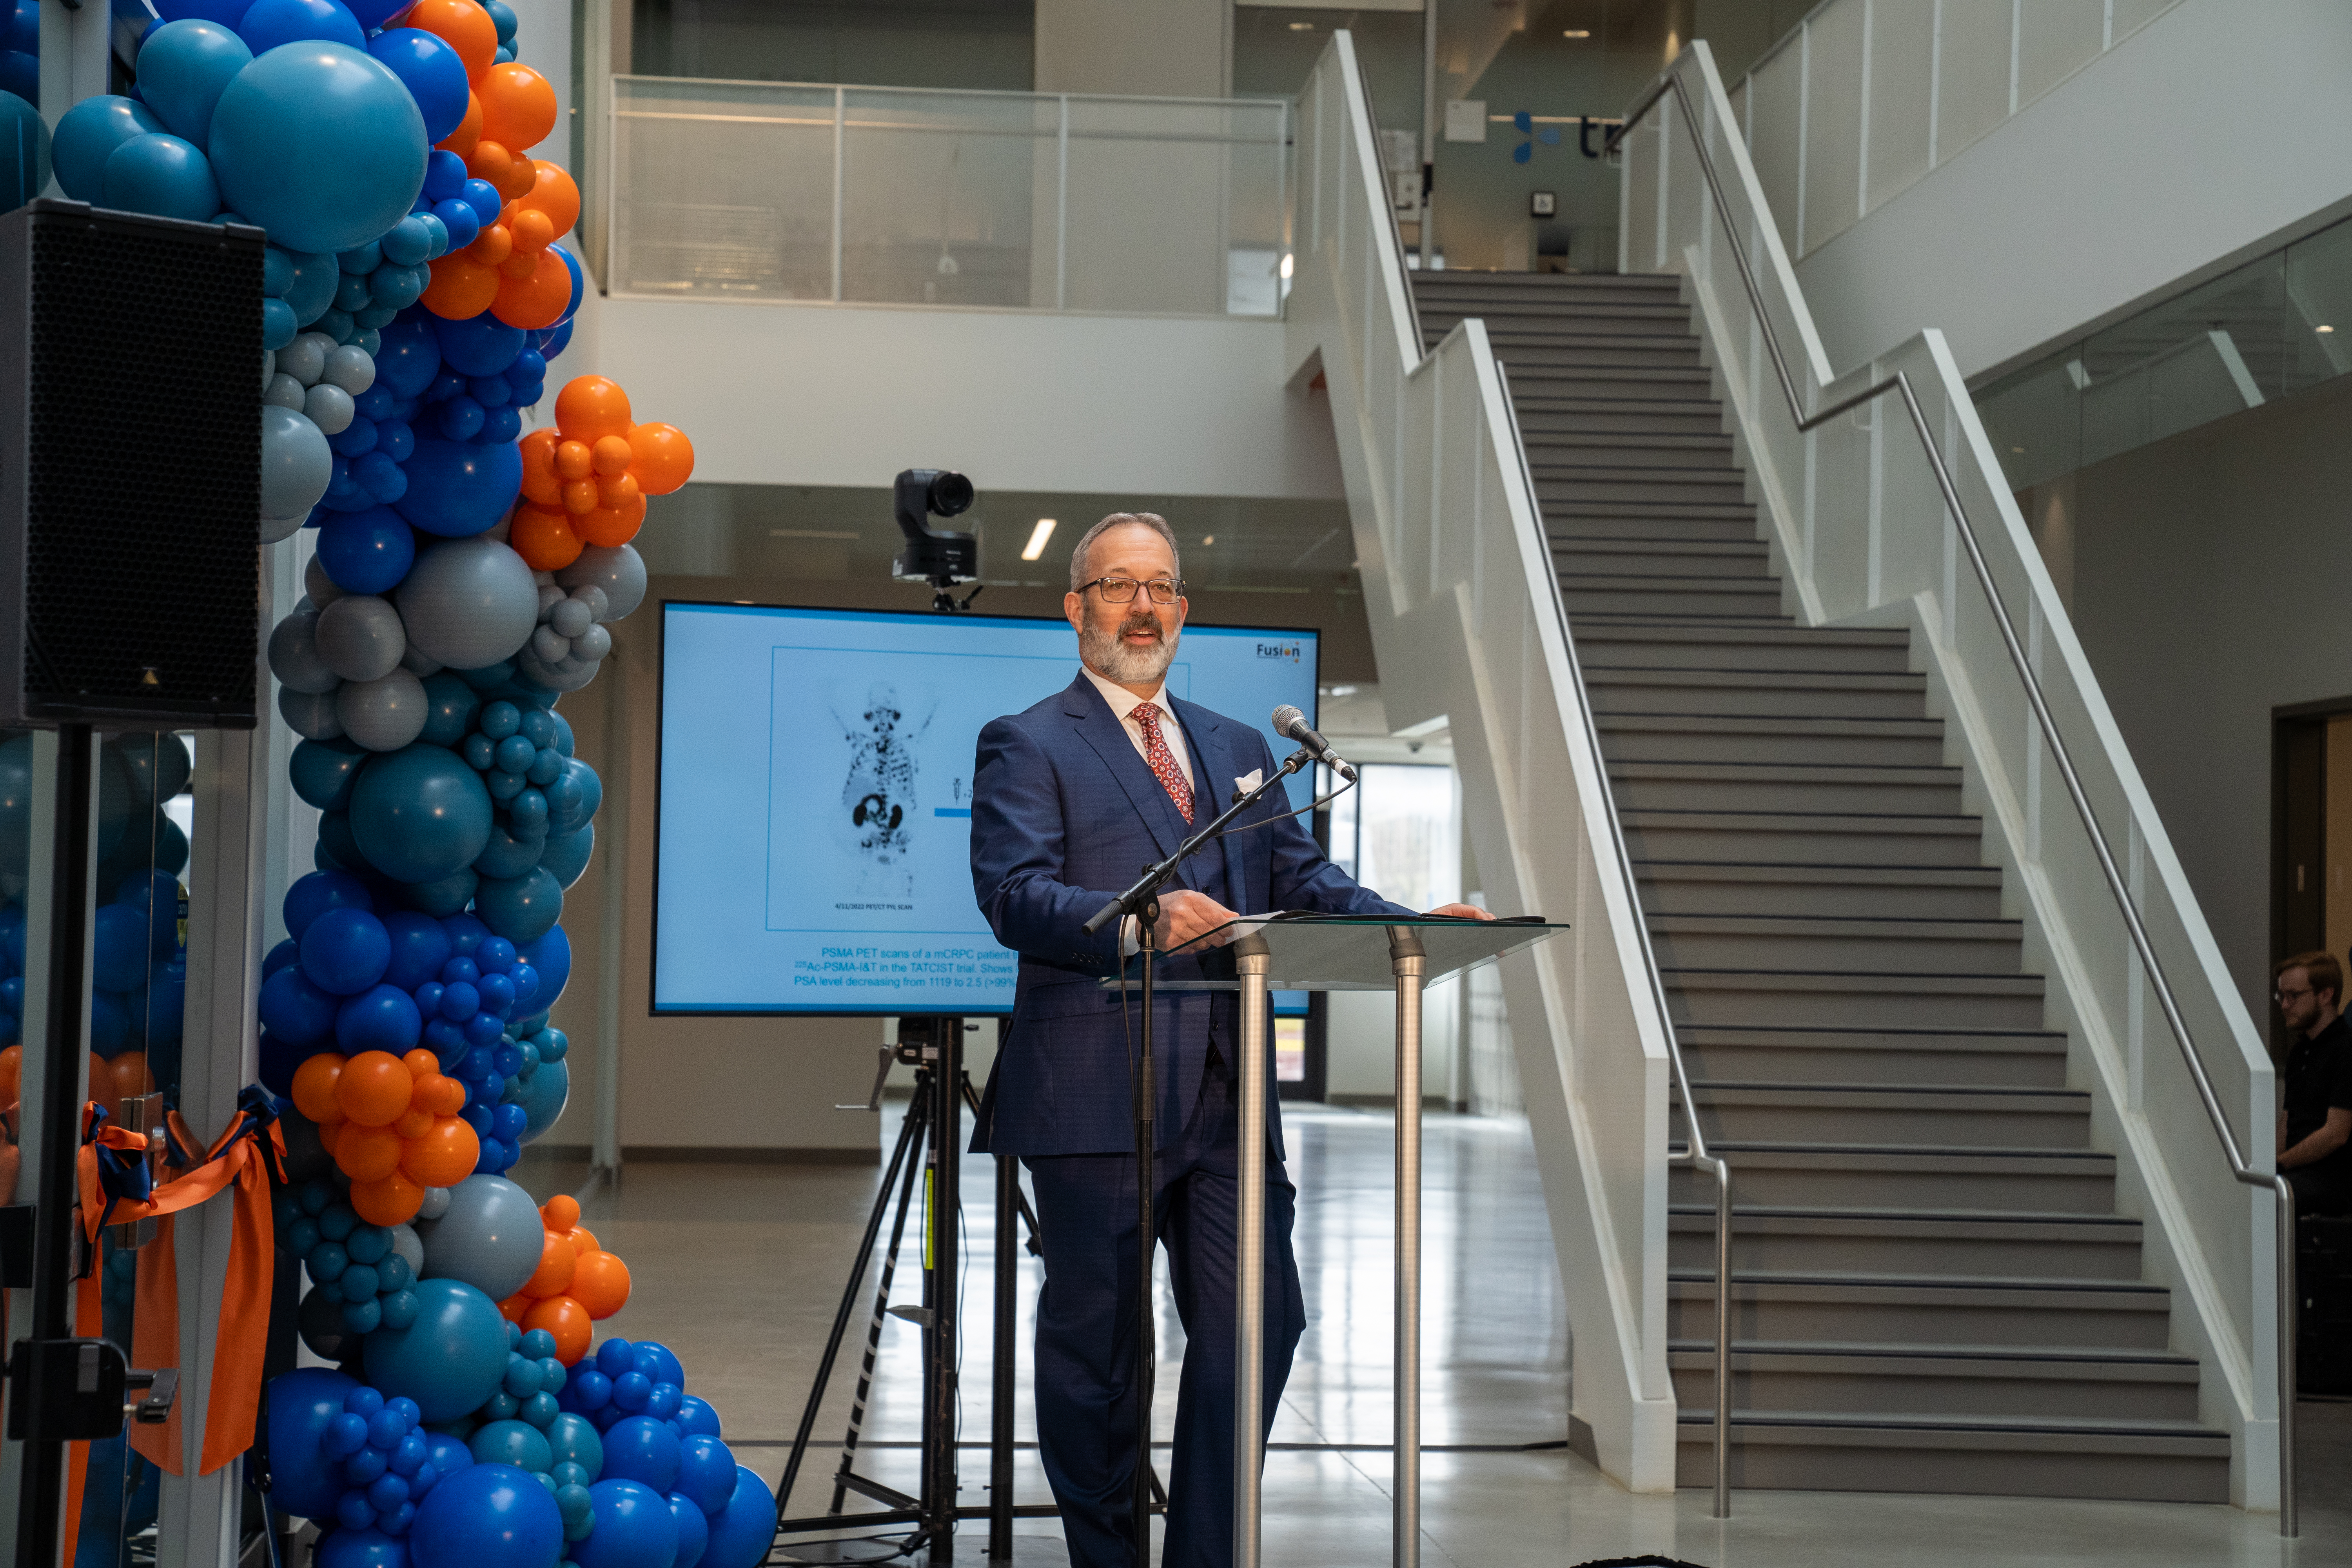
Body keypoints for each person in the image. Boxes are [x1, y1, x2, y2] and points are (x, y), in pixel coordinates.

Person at [968, 511, 1491, 1568]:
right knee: (1098, 1360)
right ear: (1078, 610)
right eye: (1119, 586)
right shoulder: (1028, 740)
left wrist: (1409, 925)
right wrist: (1139, 918)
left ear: (1182, 609)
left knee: (1258, 1328)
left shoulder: (1241, 746)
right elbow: (1015, 897)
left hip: (1229, 1098)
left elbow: (1301, 882)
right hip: (1096, 1092)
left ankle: (1202, 1555)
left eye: (1160, 587)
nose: (1144, 607)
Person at [2276, 951, 2352, 1216]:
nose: (2285, 1005)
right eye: (2281, 996)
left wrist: (2281, 1165)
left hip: (2333, 1179)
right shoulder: (2299, 1053)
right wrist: (2269, 1167)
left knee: (2267, 1200)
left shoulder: (2346, 1049)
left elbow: (2336, 1134)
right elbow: (2287, 1121)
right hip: (2298, 1175)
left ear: (2325, 995)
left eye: (2293, 996)